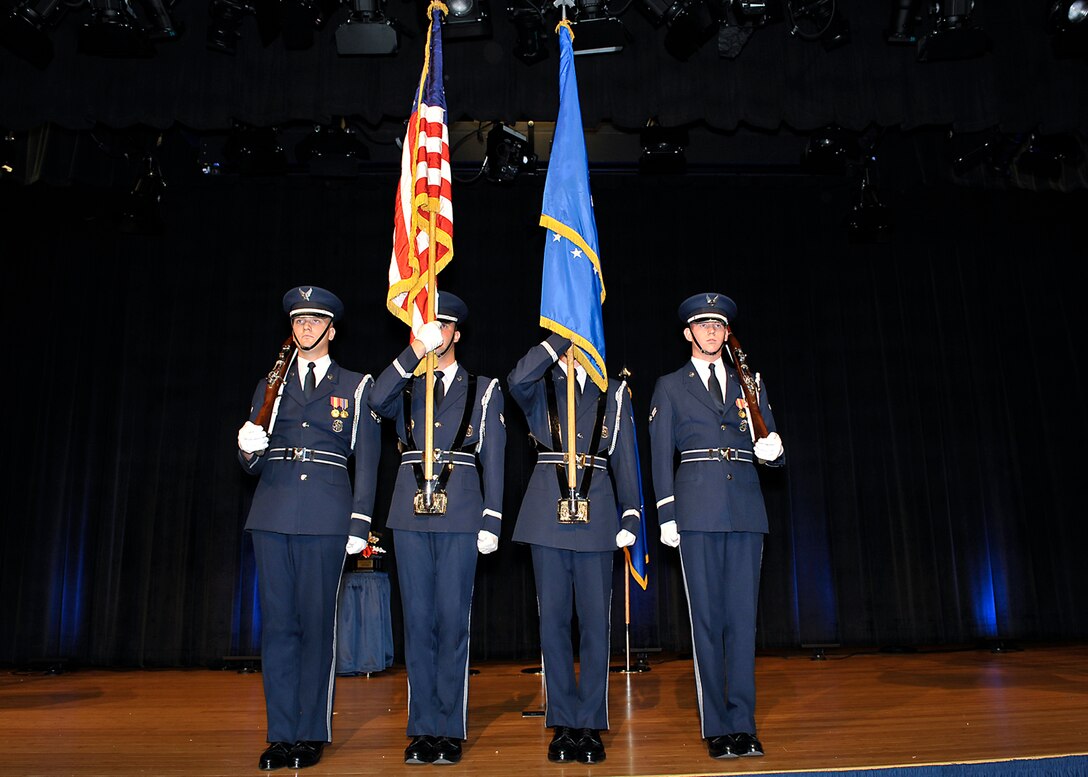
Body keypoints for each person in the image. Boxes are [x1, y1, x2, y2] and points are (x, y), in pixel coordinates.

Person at [236, 285, 381, 771]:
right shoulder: (270, 384)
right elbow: (252, 463)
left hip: (325, 515)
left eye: (315, 321)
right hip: (273, 513)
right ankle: (281, 734)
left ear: (331, 331)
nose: (306, 327)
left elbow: (368, 461)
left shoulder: (355, 385)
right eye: (299, 321)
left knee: (317, 627)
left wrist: (360, 520)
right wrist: (247, 448)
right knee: (278, 627)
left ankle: (311, 732)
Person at [368, 292, 505, 766]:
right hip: (409, 512)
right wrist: (413, 352)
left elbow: (495, 456)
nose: (438, 332)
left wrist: (492, 517)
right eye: (431, 324)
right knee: (418, 621)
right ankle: (422, 727)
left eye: (445, 326)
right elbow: (374, 399)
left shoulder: (483, 387)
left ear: (457, 334)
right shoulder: (407, 385)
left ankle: (449, 728)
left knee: (452, 622)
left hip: (461, 511)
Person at [647, 292, 785, 761]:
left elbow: (768, 439)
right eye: (703, 324)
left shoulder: (750, 381)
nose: (711, 330)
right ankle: (717, 726)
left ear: (727, 333)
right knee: (706, 620)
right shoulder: (670, 386)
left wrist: (774, 451)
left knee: (742, 621)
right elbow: (660, 455)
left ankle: (743, 723)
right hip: (697, 511)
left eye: (718, 324)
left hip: (745, 508)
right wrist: (666, 512)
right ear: (688, 332)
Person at [507, 333, 641, 765]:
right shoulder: (540, 386)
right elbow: (515, 380)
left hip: (597, 515)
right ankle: (563, 722)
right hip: (547, 517)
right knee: (554, 625)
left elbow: (625, 458)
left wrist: (631, 514)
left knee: (596, 626)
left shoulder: (613, 391)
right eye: (571, 337)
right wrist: (555, 340)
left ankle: (591, 722)